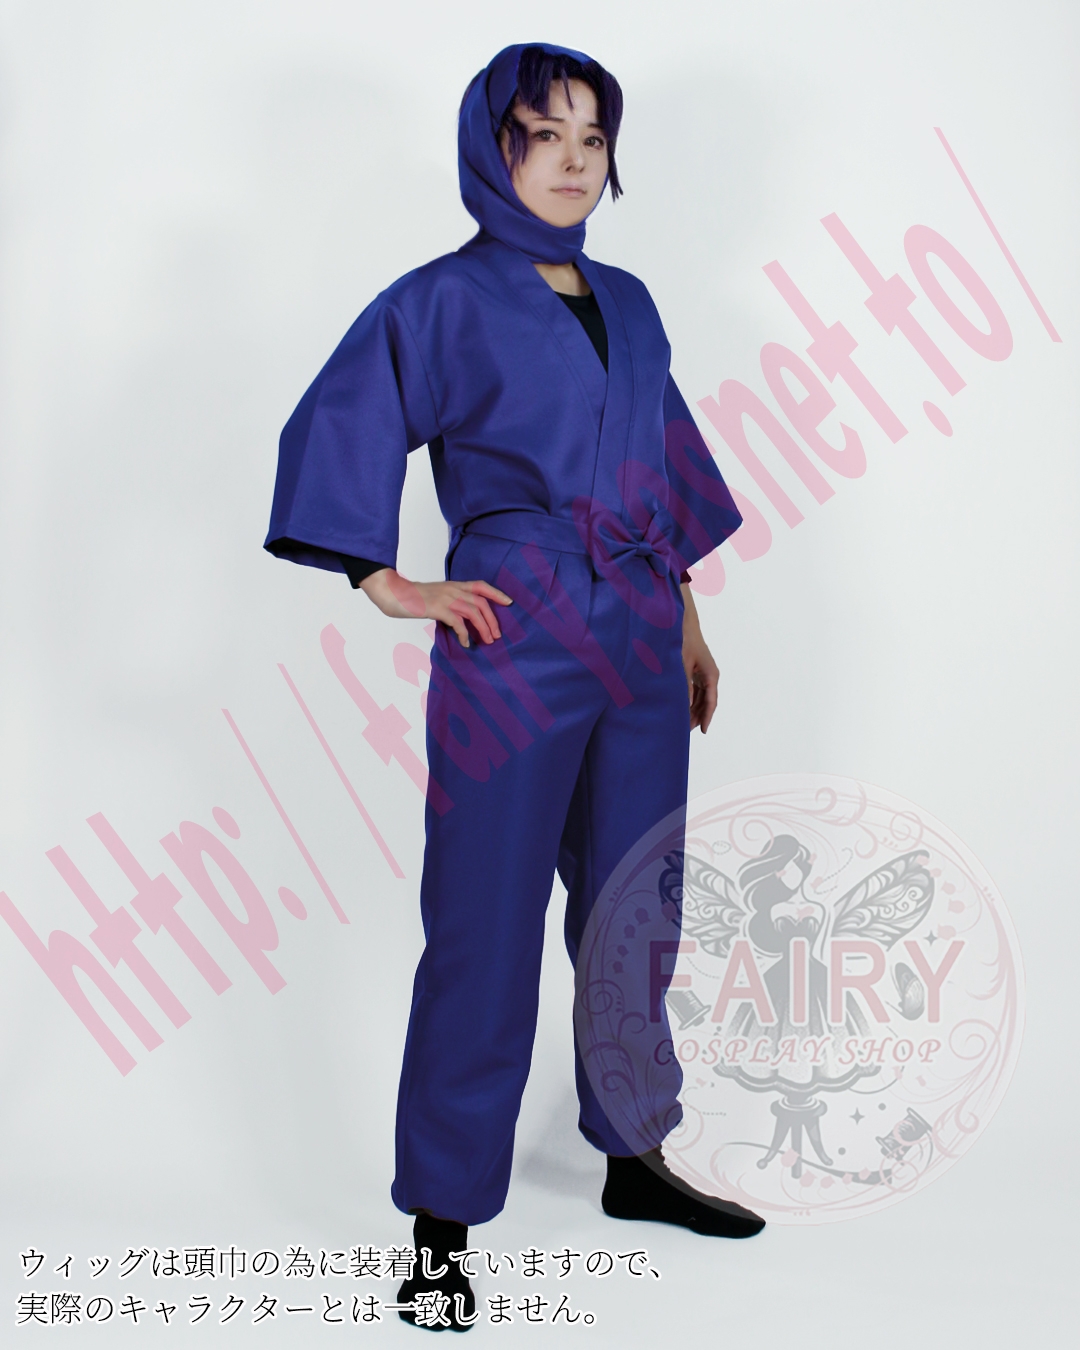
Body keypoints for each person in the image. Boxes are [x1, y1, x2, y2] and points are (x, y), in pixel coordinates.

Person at [265, 41, 763, 1334]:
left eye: (593, 138)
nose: (572, 160)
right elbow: (348, 418)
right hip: (518, 624)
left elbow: (659, 463)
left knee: (636, 900)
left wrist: (687, 620)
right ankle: (442, 1223)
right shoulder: (439, 300)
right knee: (484, 920)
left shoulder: (633, 303)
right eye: (545, 134)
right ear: (495, 150)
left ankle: (633, 1154)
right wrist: (386, 579)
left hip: (641, 626)